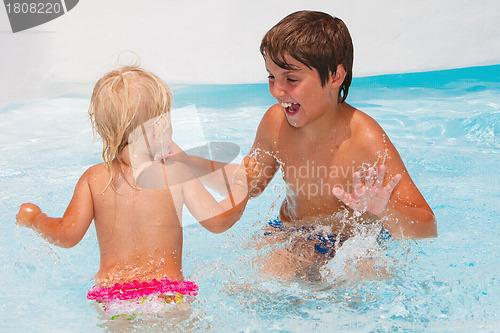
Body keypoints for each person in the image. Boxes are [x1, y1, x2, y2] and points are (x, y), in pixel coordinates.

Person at [167, 11, 437, 276]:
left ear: (335, 77)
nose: (276, 91)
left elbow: (427, 227)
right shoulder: (276, 123)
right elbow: (250, 183)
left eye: (291, 79)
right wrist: (189, 163)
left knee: (368, 276)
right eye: (271, 77)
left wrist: (383, 209)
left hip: (349, 244)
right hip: (290, 231)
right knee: (242, 283)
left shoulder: (364, 139)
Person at [15, 66, 261, 317]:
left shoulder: (93, 178)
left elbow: (66, 235)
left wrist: (34, 217)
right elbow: (219, 220)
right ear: (159, 128)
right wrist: (242, 185)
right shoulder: (175, 174)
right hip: (167, 297)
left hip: (113, 300)